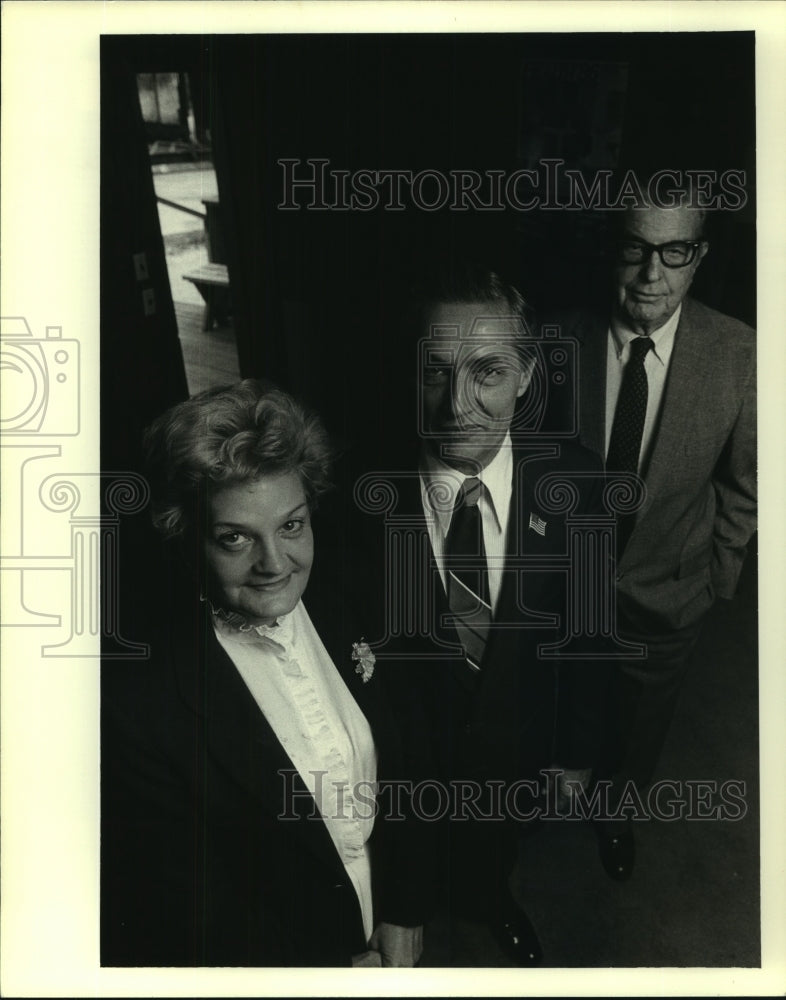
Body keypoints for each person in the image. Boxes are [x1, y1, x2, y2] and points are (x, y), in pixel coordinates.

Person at [101, 381, 428, 967]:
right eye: (234, 538)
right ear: (186, 537)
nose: (274, 564)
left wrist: (405, 906)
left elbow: (405, 759)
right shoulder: (140, 709)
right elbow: (193, 911)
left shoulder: (355, 592)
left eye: (292, 525)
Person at [353, 265, 607, 965]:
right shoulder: (353, 505)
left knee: (494, 843)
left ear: (526, 376)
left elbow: (588, 637)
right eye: (436, 372)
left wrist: (575, 754)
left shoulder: (578, 484)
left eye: (488, 373)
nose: (456, 405)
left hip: (517, 745)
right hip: (403, 767)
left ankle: (492, 900)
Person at [561, 197, 757, 879]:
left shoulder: (742, 353)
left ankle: (616, 812)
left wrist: (715, 578)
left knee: (641, 721)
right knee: (558, 700)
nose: (652, 272)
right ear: (611, 247)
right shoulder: (559, 338)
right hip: (566, 587)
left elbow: (747, 483)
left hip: (672, 587)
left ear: (699, 256)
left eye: (675, 251)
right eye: (635, 247)